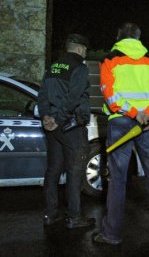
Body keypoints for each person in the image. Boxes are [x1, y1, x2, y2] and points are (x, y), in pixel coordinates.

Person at [93, 22, 149, 245]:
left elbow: (111, 95)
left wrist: (134, 113)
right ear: (139, 38)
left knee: (117, 179)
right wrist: (147, 113)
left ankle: (111, 234)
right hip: (148, 124)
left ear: (119, 37)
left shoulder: (109, 60)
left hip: (120, 123)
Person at [38, 33, 95, 228]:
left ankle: (50, 214)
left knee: (53, 170)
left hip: (53, 127)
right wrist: (60, 119)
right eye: (85, 49)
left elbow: (42, 95)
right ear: (79, 48)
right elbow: (74, 98)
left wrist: (47, 117)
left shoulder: (52, 67)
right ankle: (74, 217)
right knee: (74, 171)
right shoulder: (79, 67)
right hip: (71, 126)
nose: (85, 52)